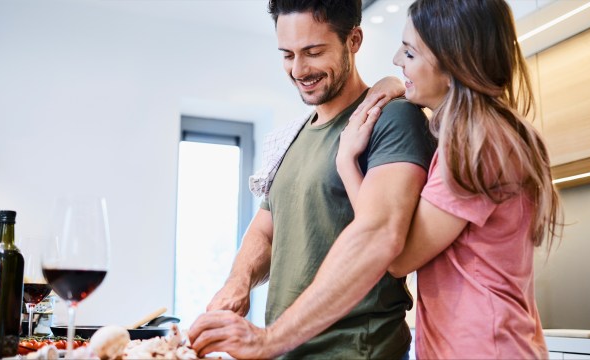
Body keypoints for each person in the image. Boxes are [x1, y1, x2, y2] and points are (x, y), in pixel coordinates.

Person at [187, 0, 436, 358]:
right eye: (287, 55)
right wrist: (237, 283)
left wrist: (266, 340)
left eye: (313, 52)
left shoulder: (391, 118)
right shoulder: (293, 137)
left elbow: (379, 237)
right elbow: (265, 231)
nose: (299, 69)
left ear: (354, 40)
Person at [338, 0, 564, 358]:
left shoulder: (476, 146)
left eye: (410, 53)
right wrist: (404, 84)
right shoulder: (491, 135)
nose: (397, 59)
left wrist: (346, 162)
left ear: (453, 65)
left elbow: (396, 257)